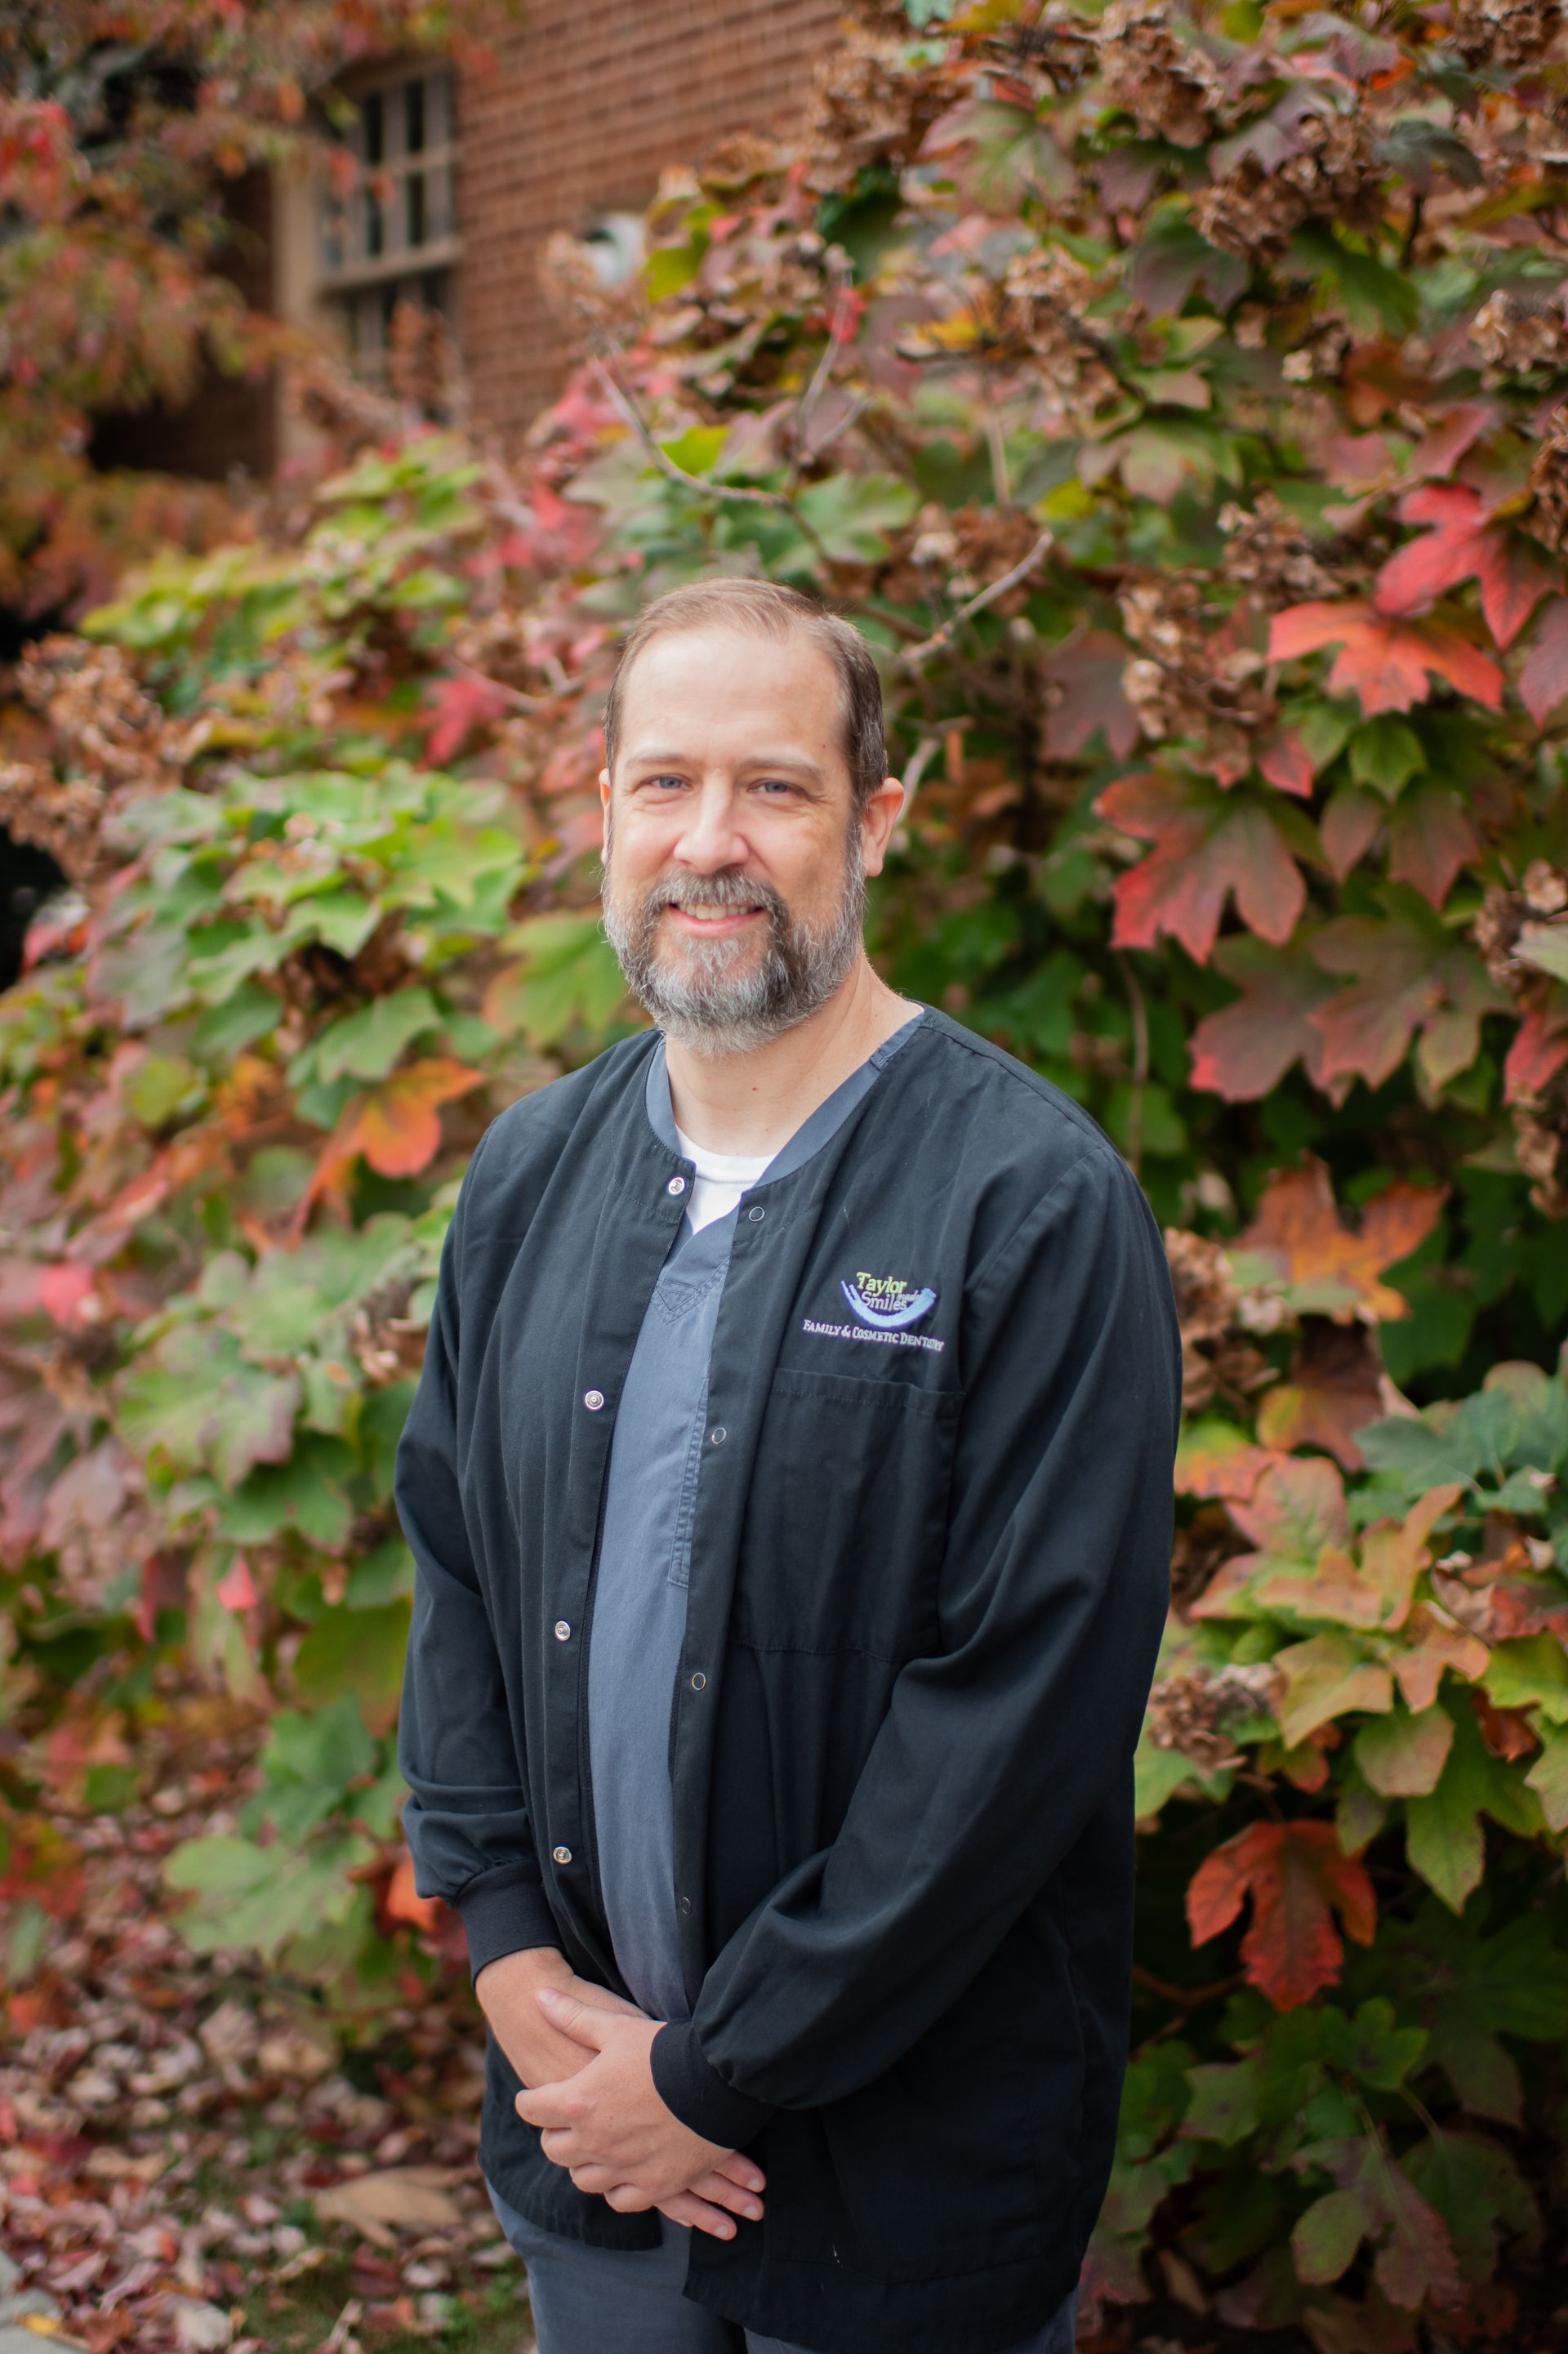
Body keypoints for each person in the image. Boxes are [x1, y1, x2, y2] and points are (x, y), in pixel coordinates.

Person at [394, 578, 1182, 2354]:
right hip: (585, 2128)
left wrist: (718, 2069)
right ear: (601, 807)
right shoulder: (530, 1177)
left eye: (776, 787)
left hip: (903, 2180)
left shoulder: (1027, 1207)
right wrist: (513, 1960)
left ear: (877, 821)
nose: (710, 842)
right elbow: (454, 1575)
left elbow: (1018, 1725)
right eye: (664, 783)